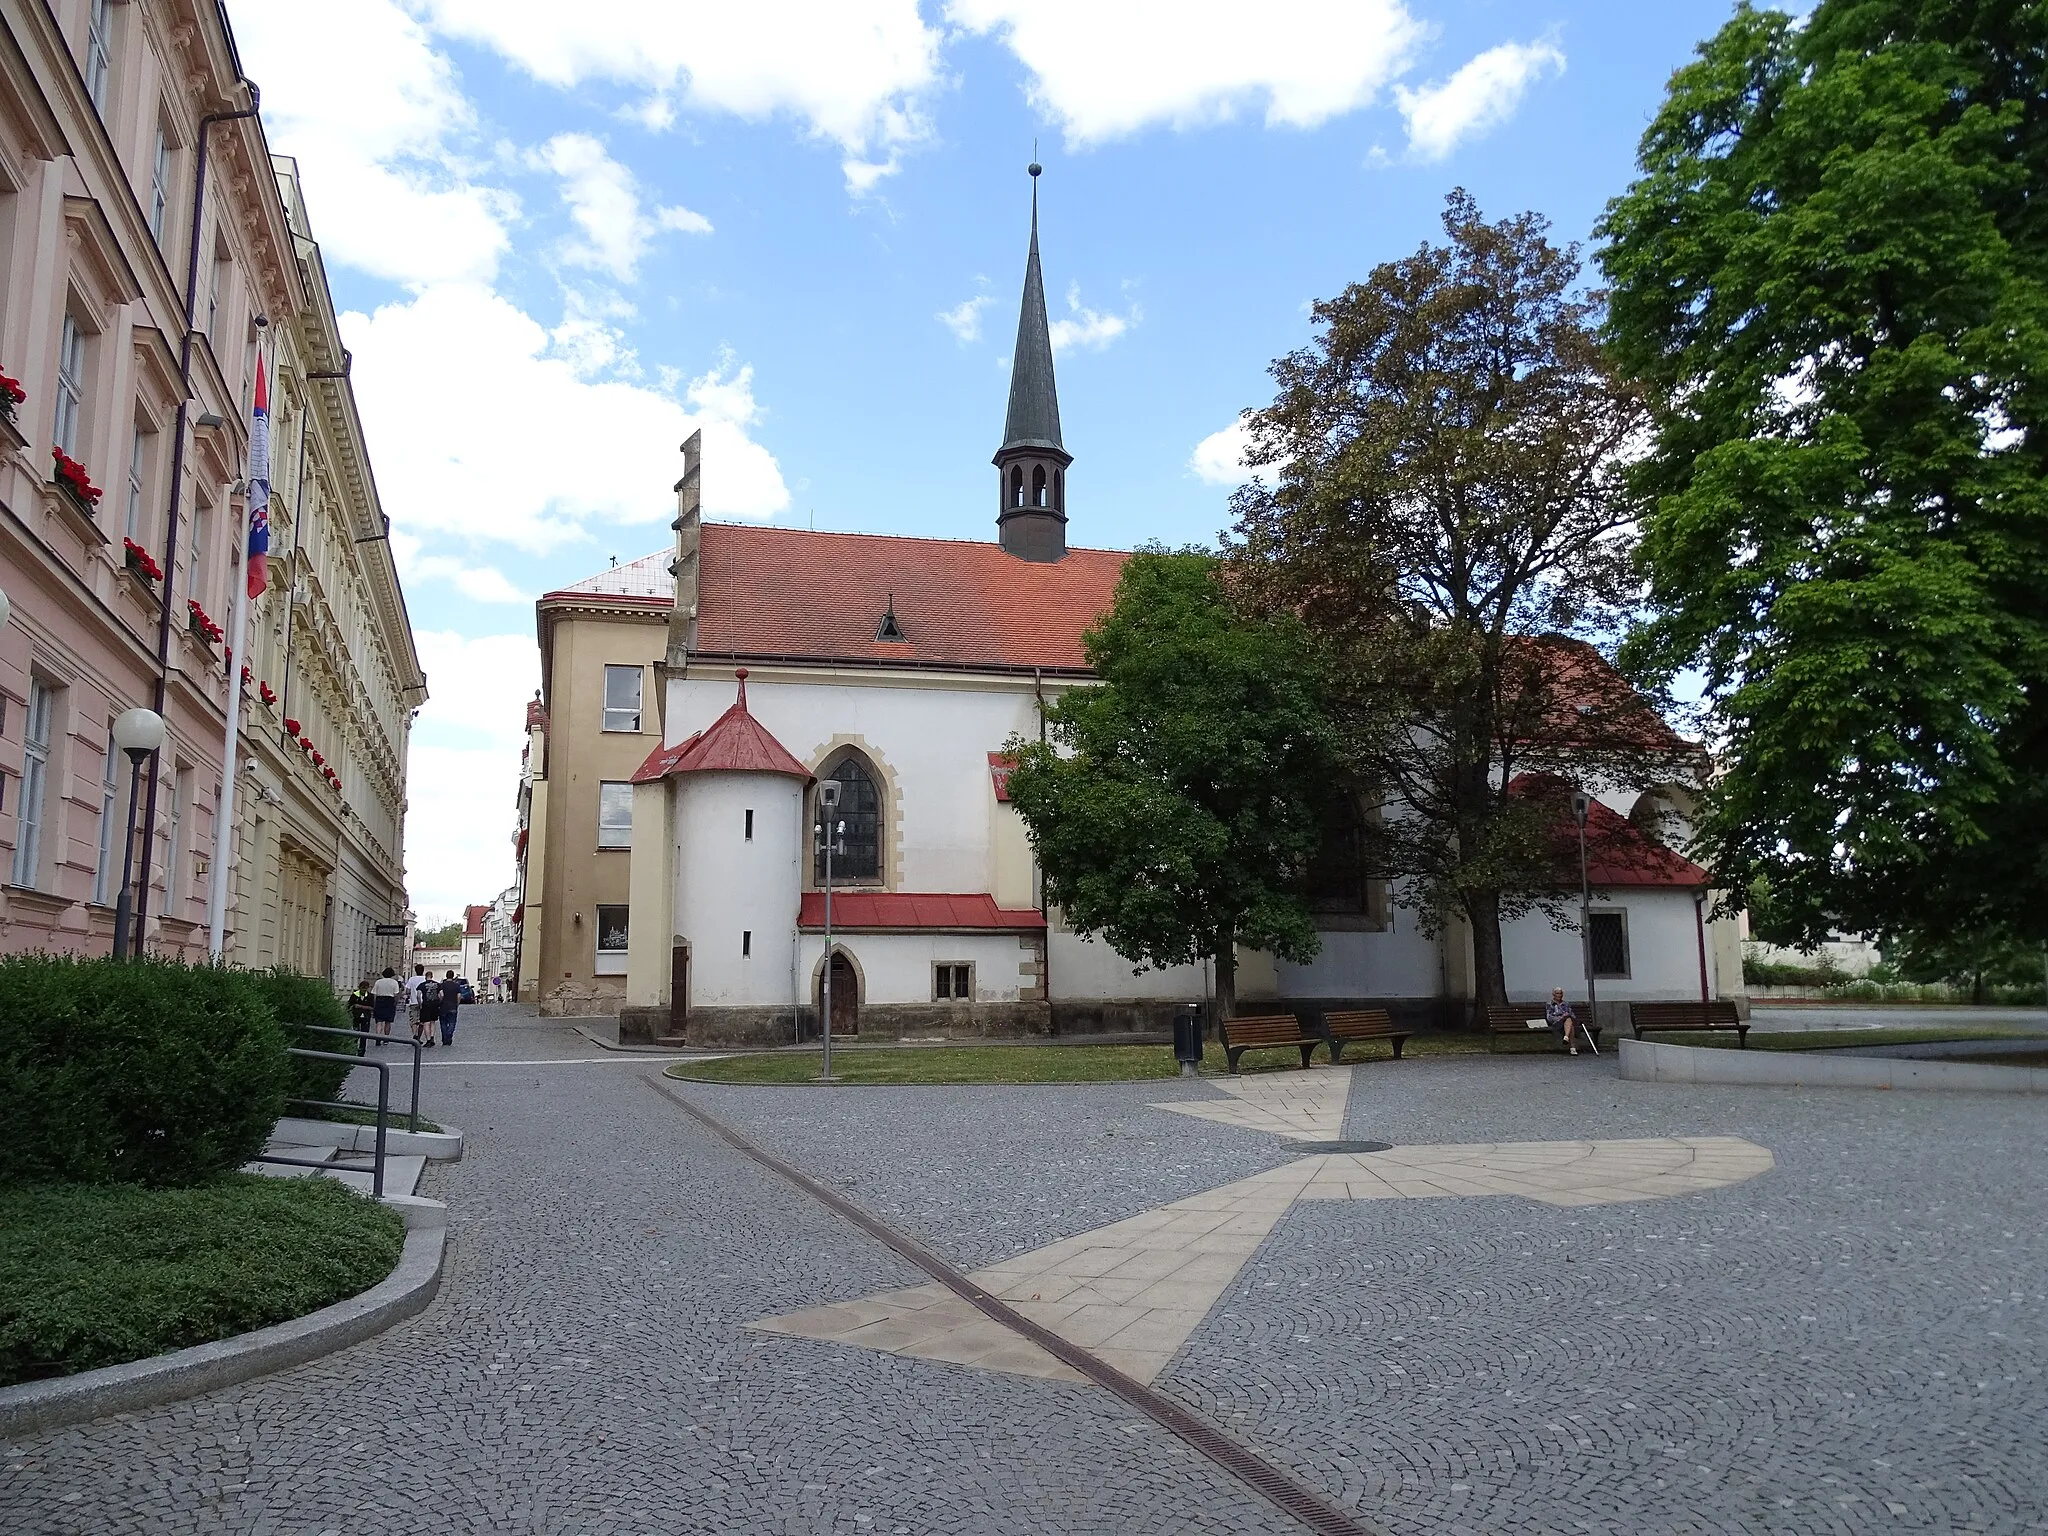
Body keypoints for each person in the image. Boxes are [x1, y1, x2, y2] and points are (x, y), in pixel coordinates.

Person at [1545, 987, 1584, 1056]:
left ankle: (1566, 1038)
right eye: (1557, 993)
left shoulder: (1566, 1004)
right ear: (1554, 994)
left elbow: (1573, 1015)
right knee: (1569, 1023)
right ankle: (1572, 1047)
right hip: (1556, 1023)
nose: (1559, 995)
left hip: (1566, 1024)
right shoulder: (1550, 1004)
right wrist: (1561, 1017)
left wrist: (1567, 1015)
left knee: (1569, 1021)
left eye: (1560, 993)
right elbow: (1549, 1017)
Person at [370, 968, 402, 1043]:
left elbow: (374, 994)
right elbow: (396, 994)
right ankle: (386, 1039)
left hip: (379, 1001)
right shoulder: (394, 982)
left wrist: (374, 1004)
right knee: (388, 1022)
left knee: (379, 1021)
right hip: (390, 1001)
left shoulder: (378, 982)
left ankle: (378, 1037)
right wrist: (395, 1002)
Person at [415, 969, 442, 1047]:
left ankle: (428, 1040)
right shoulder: (437, 984)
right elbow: (442, 994)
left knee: (426, 1023)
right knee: (433, 1021)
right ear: (432, 976)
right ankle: (432, 1036)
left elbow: (418, 995)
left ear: (425, 977)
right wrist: (439, 1001)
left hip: (426, 1005)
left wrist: (420, 1004)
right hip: (435, 1004)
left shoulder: (422, 985)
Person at [438, 967, 462, 1047]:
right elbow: (458, 996)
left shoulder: (442, 985)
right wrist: (457, 1004)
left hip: (443, 1006)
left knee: (443, 1023)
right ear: (452, 976)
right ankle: (449, 1035)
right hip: (453, 1006)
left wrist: (440, 1002)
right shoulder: (456, 985)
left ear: (446, 976)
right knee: (452, 1023)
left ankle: (445, 1038)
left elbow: (441, 995)